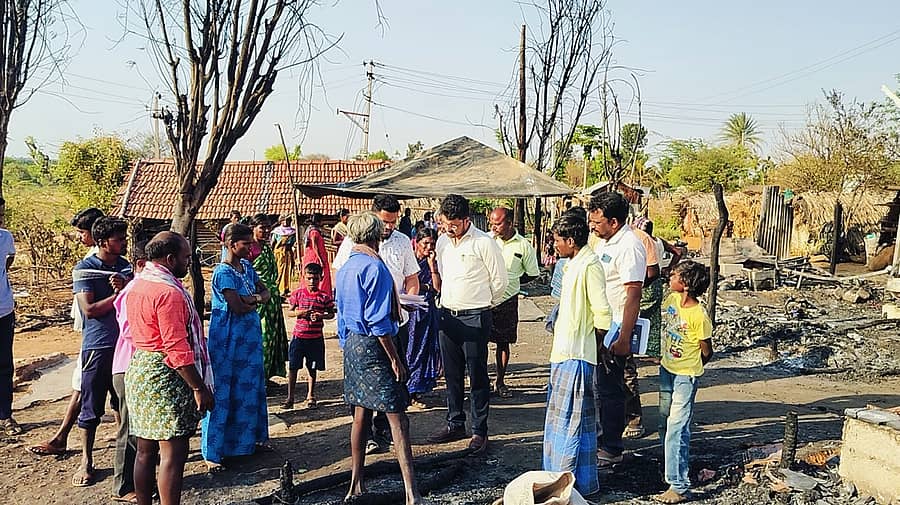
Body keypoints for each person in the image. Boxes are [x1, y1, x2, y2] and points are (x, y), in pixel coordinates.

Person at [335, 211, 424, 505]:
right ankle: (412, 492)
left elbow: (342, 314)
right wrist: (396, 359)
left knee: (361, 414)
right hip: (375, 346)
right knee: (398, 417)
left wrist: (347, 343)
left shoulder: (347, 266)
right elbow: (379, 323)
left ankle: (355, 483)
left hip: (352, 344)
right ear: (376, 235)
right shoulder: (376, 268)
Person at [124, 232, 214, 505]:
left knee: (145, 450)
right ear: (170, 259)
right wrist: (199, 387)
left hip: (140, 367)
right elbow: (176, 348)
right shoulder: (168, 293)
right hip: (164, 375)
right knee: (173, 453)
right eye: (186, 257)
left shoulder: (138, 285)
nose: (190, 263)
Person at [427, 194, 507, 454]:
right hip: (447, 315)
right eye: (445, 223)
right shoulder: (442, 242)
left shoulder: (485, 243)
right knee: (451, 375)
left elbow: (500, 282)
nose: (449, 228)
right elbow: (443, 274)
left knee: (477, 375)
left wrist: (481, 304)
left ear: (466, 220)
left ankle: (479, 431)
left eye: (454, 224)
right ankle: (455, 423)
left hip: (476, 316)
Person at [542, 213, 611, 497]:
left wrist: (596, 344)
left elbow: (603, 314)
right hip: (564, 353)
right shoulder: (572, 264)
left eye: (558, 241)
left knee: (569, 426)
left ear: (571, 241)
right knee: (575, 424)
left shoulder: (590, 265)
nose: (555, 245)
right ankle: (580, 485)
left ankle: (562, 486)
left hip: (577, 355)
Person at [30, 207, 105, 456]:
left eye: (82, 232)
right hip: (93, 336)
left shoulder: (100, 262)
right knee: (86, 386)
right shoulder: (93, 260)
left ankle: (65, 439)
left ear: (95, 233)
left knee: (84, 387)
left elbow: (92, 308)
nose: (79, 237)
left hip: (98, 338)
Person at [202, 223, 270, 471]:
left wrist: (252, 299)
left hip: (249, 341)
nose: (251, 247)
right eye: (246, 243)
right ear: (231, 245)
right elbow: (237, 306)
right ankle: (215, 451)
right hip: (228, 341)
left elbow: (266, 293)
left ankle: (246, 443)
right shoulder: (223, 273)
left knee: (249, 389)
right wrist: (253, 300)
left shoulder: (247, 268)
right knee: (223, 391)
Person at [72, 216, 132, 487]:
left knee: (124, 405)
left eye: (124, 238)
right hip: (98, 345)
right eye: (119, 239)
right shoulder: (85, 269)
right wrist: (119, 294)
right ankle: (86, 460)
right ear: (102, 241)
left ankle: (127, 461)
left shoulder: (125, 267)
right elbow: (90, 310)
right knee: (91, 406)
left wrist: (127, 287)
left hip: (124, 344)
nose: (124, 243)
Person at [587, 192, 646, 468]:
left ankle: (611, 447)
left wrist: (624, 336)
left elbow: (633, 294)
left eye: (597, 221)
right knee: (599, 388)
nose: (592, 225)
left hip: (614, 330)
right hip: (599, 325)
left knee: (611, 390)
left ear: (613, 221)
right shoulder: (603, 242)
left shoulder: (630, 246)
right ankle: (602, 441)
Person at [655, 261, 713, 505]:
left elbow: (707, 351)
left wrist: (690, 366)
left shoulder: (699, 316)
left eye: (676, 275)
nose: (670, 276)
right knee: (666, 423)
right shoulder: (670, 301)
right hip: (667, 369)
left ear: (686, 284)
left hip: (685, 376)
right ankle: (672, 470)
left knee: (676, 428)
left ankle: (678, 485)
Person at [110, 239, 149, 503]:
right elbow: (129, 330)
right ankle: (123, 487)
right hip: (129, 366)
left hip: (139, 364)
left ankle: (140, 481)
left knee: (142, 428)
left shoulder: (140, 287)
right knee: (130, 427)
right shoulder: (133, 291)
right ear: (141, 264)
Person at [488, 207, 539, 398]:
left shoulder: (523, 245)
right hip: (484, 299)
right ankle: (482, 382)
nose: (494, 227)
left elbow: (532, 273)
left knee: (503, 342)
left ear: (509, 222)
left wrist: (513, 283)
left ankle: (500, 382)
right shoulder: (486, 240)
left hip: (508, 301)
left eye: (498, 223)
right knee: (479, 343)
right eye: (492, 222)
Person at [619, 220, 659, 439]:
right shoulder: (599, 241)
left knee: (625, 368)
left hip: (627, 307)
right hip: (604, 313)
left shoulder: (638, 239)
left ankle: (633, 418)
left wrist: (632, 280)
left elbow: (652, 271)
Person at [285, 263, 335, 410]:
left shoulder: (324, 297)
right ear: (304, 277)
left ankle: (311, 395)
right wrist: (299, 313)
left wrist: (321, 316)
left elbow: (331, 313)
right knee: (293, 367)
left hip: (315, 338)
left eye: (315, 278)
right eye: (309, 278)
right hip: (299, 337)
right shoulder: (298, 294)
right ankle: (290, 397)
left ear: (321, 278)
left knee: (312, 367)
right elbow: (290, 312)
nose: (312, 281)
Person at [406, 228, 442, 409]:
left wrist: (433, 266)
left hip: (427, 312)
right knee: (410, 350)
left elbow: (436, 288)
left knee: (425, 350)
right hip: (410, 313)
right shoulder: (409, 260)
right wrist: (424, 287)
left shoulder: (433, 263)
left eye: (432, 244)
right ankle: (407, 390)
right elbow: (408, 286)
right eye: (425, 243)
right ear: (416, 242)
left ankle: (416, 391)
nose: (428, 247)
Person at [250, 214, 289, 380]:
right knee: (262, 338)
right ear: (253, 228)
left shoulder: (266, 247)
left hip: (272, 299)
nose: (266, 231)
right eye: (262, 228)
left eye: (268, 228)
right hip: (259, 300)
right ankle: (259, 379)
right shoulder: (249, 249)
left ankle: (267, 377)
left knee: (272, 338)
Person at [0, 226, 17, 437]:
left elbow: (9, 259)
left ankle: (5, 415)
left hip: (4, 309)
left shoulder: (5, 237)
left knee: (4, 364)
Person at [302, 213, 332, 295]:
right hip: (315, 257)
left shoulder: (312, 230)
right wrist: (320, 259)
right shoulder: (314, 232)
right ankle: (319, 293)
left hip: (314, 255)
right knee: (318, 274)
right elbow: (315, 246)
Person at [271, 214, 297, 297]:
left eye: (288, 220)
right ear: (280, 221)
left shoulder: (293, 232)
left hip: (288, 253)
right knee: (279, 271)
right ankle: (278, 288)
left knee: (287, 270)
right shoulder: (276, 232)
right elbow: (272, 243)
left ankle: (285, 288)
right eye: (284, 220)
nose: (286, 222)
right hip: (278, 253)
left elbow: (294, 243)